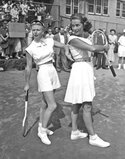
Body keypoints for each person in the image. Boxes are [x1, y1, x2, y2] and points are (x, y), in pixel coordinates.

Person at [64, 13, 110, 148]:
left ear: (83, 24)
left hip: (85, 68)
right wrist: (104, 47)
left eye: (78, 25)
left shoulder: (84, 38)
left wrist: (97, 48)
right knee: (87, 105)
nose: (75, 28)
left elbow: (93, 50)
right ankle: (93, 137)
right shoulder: (72, 38)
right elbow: (93, 48)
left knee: (76, 103)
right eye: (73, 25)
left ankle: (74, 131)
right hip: (80, 70)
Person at [24, 20, 70, 145]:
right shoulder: (30, 48)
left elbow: (65, 45)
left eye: (38, 29)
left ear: (43, 31)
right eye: (33, 29)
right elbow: (28, 67)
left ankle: (40, 126)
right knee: (53, 105)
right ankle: (43, 132)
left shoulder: (50, 41)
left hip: (52, 70)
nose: (35, 32)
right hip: (43, 72)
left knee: (45, 103)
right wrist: (27, 83)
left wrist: (67, 50)